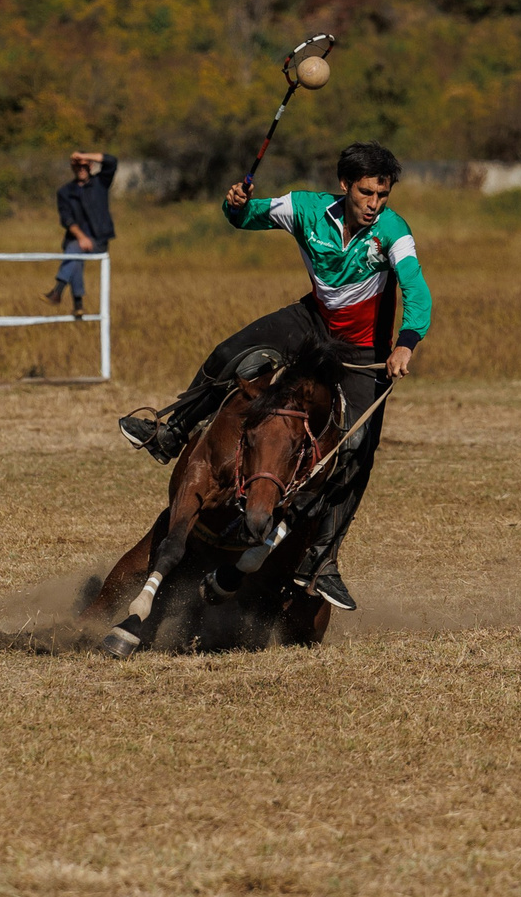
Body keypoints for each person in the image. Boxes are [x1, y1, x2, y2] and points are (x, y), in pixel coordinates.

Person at [116, 141, 432, 612]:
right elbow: (246, 217)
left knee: (359, 450)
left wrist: (406, 342)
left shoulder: (392, 231)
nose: (374, 204)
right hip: (312, 322)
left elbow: (417, 292)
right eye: (366, 193)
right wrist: (235, 204)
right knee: (230, 353)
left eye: (382, 195)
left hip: (363, 350)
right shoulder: (303, 208)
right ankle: (172, 430)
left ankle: (321, 562)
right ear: (344, 185)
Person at [46, 150, 116, 319]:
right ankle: (78, 306)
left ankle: (58, 291)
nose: (81, 169)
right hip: (77, 241)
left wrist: (86, 156)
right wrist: (81, 236)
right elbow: (67, 219)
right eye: (78, 166)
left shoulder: (100, 183)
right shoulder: (65, 192)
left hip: (99, 241)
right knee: (74, 252)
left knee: (73, 250)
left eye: (85, 165)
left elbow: (112, 161)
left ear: (90, 165)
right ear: (72, 167)